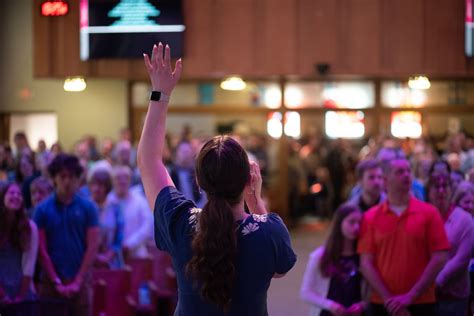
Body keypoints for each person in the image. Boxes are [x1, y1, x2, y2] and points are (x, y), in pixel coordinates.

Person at [138, 43, 296, 315]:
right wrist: (256, 201)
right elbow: (278, 270)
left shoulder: (179, 221)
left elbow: (148, 160)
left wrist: (160, 94)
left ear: (198, 181)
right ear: (248, 179)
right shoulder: (269, 231)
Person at [358, 157, 450, 316]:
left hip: (422, 302)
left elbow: (440, 257)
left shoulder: (429, 213)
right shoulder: (370, 217)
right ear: (386, 181)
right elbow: (366, 262)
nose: (407, 175)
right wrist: (389, 299)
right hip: (383, 303)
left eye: (408, 171)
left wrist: (411, 296)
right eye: (400, 172)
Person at [34, 154, 99, 316]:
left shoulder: (88, 207)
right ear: (54, 178)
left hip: (81, 283)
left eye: (71, 176)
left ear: (78, 179)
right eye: (62, 176)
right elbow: (41, 250)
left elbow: (92, 247)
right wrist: (56, 280)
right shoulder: (42, 210)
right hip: (50, 284)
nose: (67, 181)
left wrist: (78, 280)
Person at [301, 203, 367, 316]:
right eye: (351, 222)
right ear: (339, 223)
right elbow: (306, 292)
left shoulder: (363, 256)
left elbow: (368, 290)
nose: (356, 227)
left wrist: (362, 305)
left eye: (359, 223)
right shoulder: (320, 256)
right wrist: (330, 305)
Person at [426, 165, 473, 316]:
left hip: (454, 297)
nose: (441, 191)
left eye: (445, 186)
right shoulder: (422, 217)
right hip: (425, 297)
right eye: (436, 187)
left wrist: (436, 283)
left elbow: (462, 259)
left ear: (451, 190)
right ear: (428, 191)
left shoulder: (464, 220)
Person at [0, 183, 38, 310]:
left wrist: (20, 298)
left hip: (22, 289)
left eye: (19, 194)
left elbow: (29, 266)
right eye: (11, 193)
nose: (16, 196)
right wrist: (2, 295)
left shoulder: (30, 227)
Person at [105, 165, 152, 260]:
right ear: (112, 181)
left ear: (130, 180)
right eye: (118, 178)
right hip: (112, 257)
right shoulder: (107, 201)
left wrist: (129, 244)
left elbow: (147, 226)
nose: (122, 181)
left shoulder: (140, 200)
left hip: (137, 255)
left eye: (126, 178)